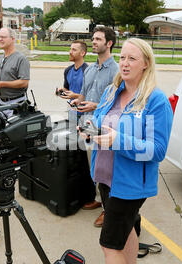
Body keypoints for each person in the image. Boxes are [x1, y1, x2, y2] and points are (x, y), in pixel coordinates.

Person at [80, 38, 173, 264]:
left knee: (109, 246)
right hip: (105, 176)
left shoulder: (156, 100)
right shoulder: (112, 91)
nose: (125, 63)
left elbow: (158, 150)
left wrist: (118, 140)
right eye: (122, 57)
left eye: (132, 58)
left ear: (145, 64)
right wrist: (90, 129)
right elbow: (98, 121)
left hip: (129, 185)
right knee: (128, 230)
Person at [67, 26, 119, 224]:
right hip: (86, 124)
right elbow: (83, 94)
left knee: (107, 170)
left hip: (105, 127)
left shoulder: (116, 71)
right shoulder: (89, 69)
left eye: (98, 39)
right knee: (94, 166)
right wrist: (77, 101)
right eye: (93, 38)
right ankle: (99, 199)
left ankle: (109, 209)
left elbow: (117, 104)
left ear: (109, 43)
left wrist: (95, 105)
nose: (94, 42)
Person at [0, 27, 30, 118]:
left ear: (12, 39)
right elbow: (0, 79)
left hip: (16, 104)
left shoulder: (21, 59)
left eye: (3, 37)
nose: (0, 39)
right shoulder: (0, 58)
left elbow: (24, 82)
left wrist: (1, 84)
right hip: (1, 103)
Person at [56, 40, 88, 122]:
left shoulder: (88, 71)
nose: (70, 52)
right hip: (72, 112)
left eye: (74, 50)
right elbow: (67, 89)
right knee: (72, 134)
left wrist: (75, 96)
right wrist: (61, 91)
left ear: (82, 53)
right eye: (70, 49)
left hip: (85, 114)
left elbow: (92, 96)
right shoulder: (68, 70)